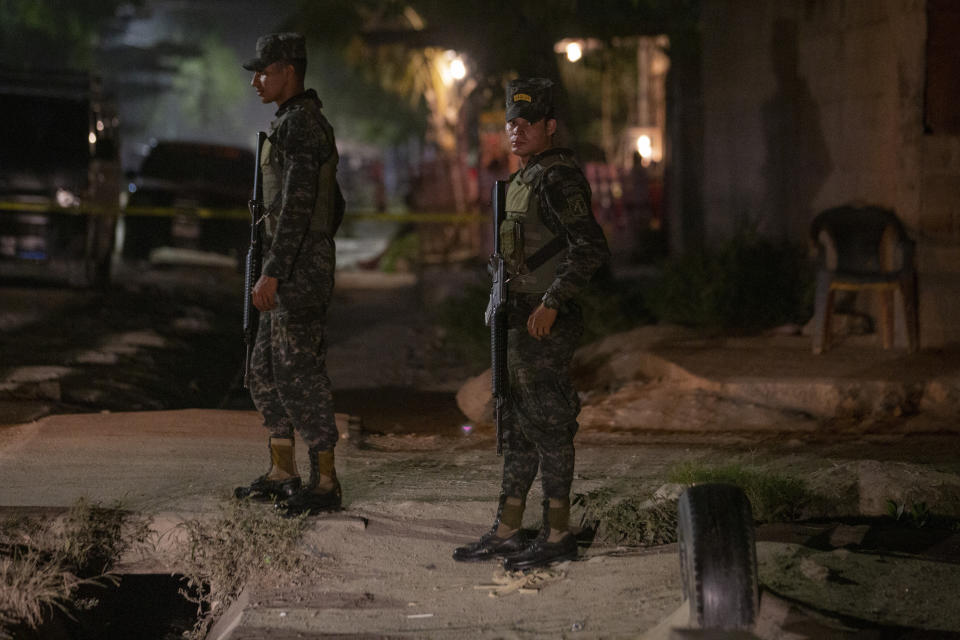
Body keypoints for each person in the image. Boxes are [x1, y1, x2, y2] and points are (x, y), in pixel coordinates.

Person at [453, 78, 610, 570]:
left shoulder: (558, 177)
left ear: (550, 126)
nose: (516, 131)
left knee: (549, 426)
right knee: (517, 428)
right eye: (510, 123)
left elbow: (589, 246)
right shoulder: (523, 178)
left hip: (544, 324)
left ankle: (558, 532)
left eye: (526, 123)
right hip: (517, 322)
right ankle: (507, 528)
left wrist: (553, 301)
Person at [233, 32, 342, 515]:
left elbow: (299, 208)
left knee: (299, 373)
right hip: (289, 262)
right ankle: (283, 470)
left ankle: (325, 482)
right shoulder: (290, 123)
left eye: (264, 71)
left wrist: (274, 272)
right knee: (263, 371)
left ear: (289, 72)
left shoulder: (302, 126)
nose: (256, 81)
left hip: (298, 269)